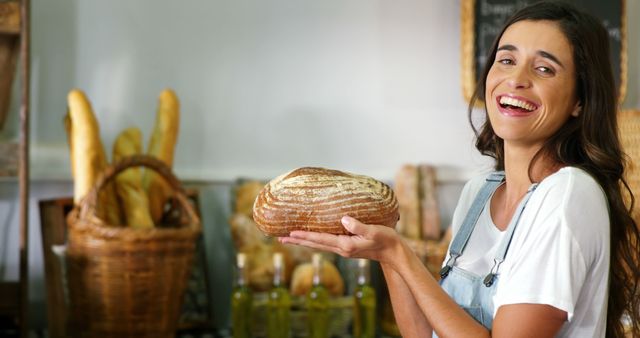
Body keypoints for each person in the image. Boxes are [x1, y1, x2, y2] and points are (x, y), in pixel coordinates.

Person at [279, 1, 640, 337]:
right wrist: (387, 253)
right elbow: (425, 333)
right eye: (506, 60)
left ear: (580, 100)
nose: (516, 79)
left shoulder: (566, 197)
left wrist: (402, 256)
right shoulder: (479, 191)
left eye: (544, 68)